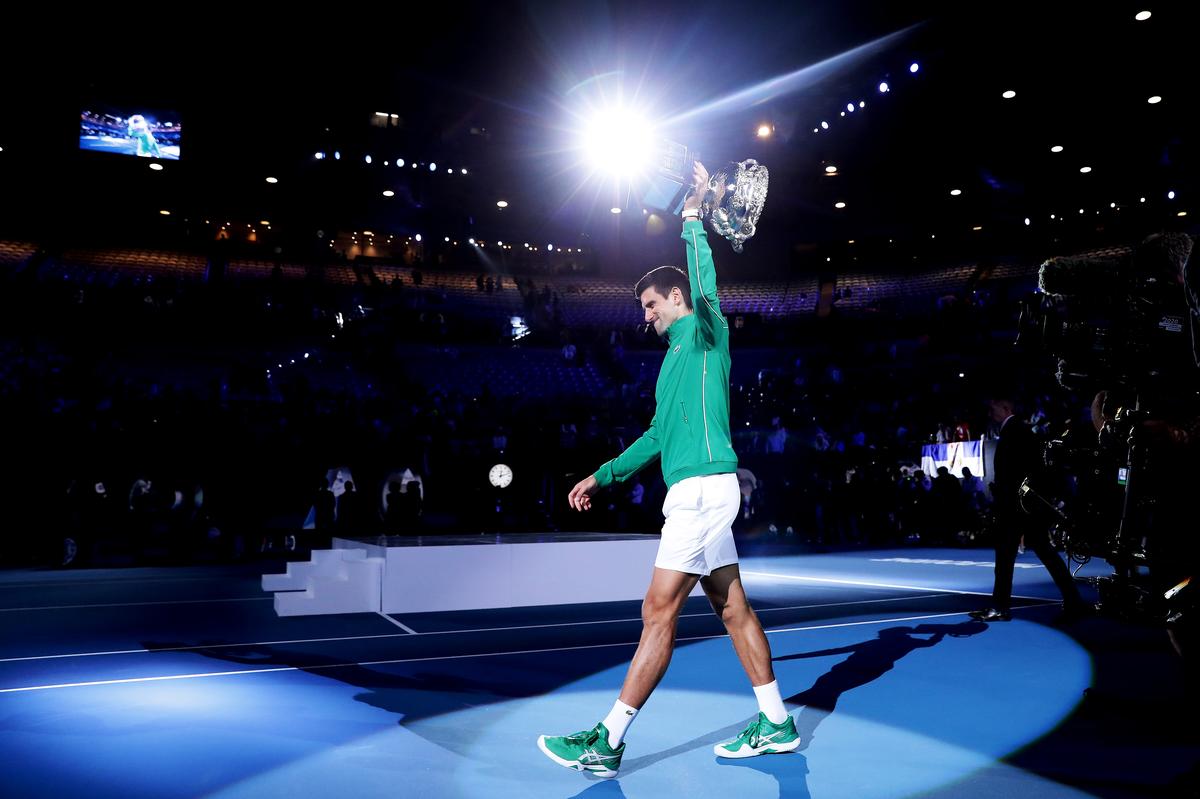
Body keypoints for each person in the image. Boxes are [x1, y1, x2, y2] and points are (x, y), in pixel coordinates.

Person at [538, 163, 798, 780]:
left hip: (703, 493)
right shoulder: (669, 364)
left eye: (651, 305)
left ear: (676, 298)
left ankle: (607, 740)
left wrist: (691, 219)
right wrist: (602, 475)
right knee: (732, 609)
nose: (646, 317)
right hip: (700, 492)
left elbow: (705, 282)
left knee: (658, 613)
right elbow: (657, 435)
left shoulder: (707, 334)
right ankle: (777, 721)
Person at [970, 395, 1087, 622]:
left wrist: (1003, 495)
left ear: (1005, 406)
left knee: (1007, 558)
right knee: (1044, 553)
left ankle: (1001, 606)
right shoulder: (1022, 431)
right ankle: (1073, 601)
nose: (990, 413)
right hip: (1025, 506)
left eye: (993, 407)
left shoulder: (1014, 432)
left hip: (1015, 507)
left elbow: (1013, 473)